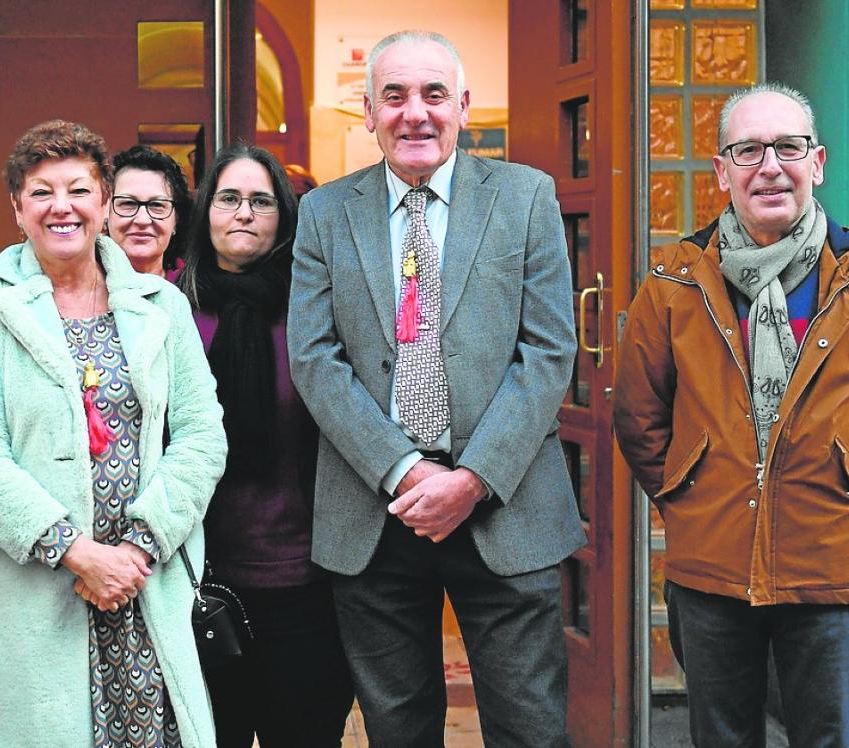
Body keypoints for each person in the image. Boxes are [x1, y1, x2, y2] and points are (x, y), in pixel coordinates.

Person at [287, 30, 584, 746]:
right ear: (368, 111)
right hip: (374, 512)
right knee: (397, 729)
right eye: (394, 96)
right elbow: (315, 357)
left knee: (532, 730)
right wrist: (407, 469)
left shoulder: (526, 196)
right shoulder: (326, 213)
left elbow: (549, 349)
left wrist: (472, 478)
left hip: (506, 509)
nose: (414, 113)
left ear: (463, 106)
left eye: (432, 94)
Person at [614, 82, 849, 746]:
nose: (769, 166)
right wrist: (694, 494)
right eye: (748, 149)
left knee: (835, 737)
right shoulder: (672, 284)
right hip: (711, 565)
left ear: (817, 163)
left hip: (833, 566)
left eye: (788, 146)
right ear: (722, 171)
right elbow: (640, 420)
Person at [0, 119, 227, 748]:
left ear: (105, 202)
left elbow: (202, 436)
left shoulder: (159, 305)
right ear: (16, 207)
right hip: (37, 586)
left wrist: (137, 552)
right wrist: (77, 553)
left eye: (78, 190)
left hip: (145, 583)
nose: (61, 207)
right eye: (41, 192)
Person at [176, 143, 353, 747]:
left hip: (307, 581)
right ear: (205, 213)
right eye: (228, 199)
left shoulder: (316, 310)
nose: (244, 213)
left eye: (261, 201)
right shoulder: (169, 310)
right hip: (197, 582)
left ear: (285, 216)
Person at [108, 144, 191, 279]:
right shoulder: (79, 290)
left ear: (176, 220)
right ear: (106, 213)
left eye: (157, 205)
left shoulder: (198, 292)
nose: (142, 220)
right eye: (128, 203)